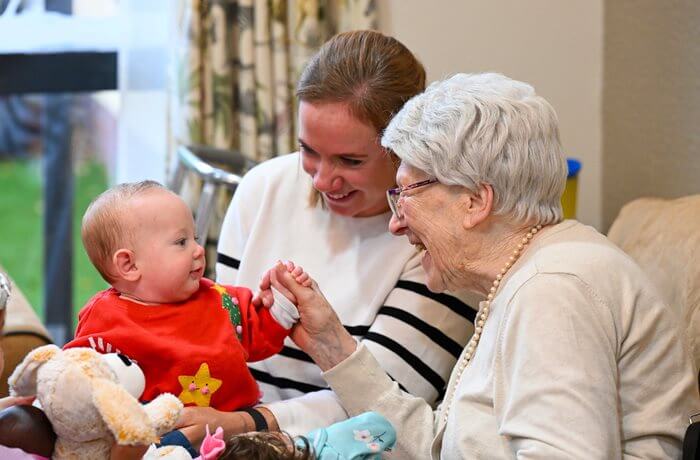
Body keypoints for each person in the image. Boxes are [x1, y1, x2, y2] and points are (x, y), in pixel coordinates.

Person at [265, 73, 700, 458]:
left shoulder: (554, 288)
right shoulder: (525, 276)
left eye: (406, 194)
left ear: (475, 201)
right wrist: (330, 344)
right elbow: (439, 445)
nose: (396, 223)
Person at [177, 30, 478, 443]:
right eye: (309, 151)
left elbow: (387, 408)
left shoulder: (441, 238)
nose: (322, 179)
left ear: (406, 147)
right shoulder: (262, 189)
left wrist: (250, 424)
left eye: (350, 160)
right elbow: (225, 346)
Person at [63, 181, 310, 416]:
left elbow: (259, 332)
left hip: (235, 432)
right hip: (152, 442)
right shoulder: (104, 319)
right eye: (181, 242)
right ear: (128, 264)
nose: (198, 250)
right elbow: (75, 373)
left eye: (195, 238)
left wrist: (281, 299)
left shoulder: (219, 299)